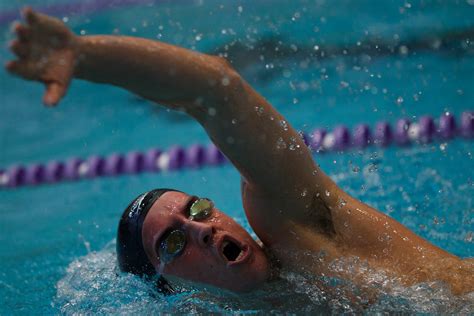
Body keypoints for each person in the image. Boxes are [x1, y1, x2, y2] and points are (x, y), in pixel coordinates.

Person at [6, 8, 473, 298]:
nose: (201, 229)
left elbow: (217, 90)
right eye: (173, 243)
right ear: (172, 289)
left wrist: (85, 55)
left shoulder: (301, 231)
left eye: (198, 209)